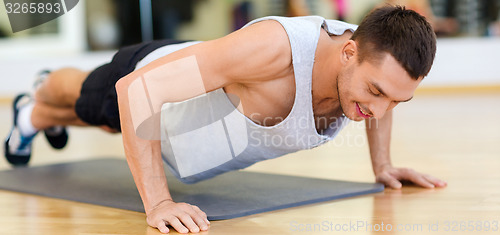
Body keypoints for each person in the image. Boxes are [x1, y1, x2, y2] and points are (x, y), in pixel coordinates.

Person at [4, 6, 448, 234]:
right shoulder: (275, 50)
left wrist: (383, 165)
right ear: (348, 52)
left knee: (107, 122)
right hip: (147, 77)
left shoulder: (367, 72)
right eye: (375, 92)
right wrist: (158, 203)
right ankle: (39, 100)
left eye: (397, 101)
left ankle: (38, 116)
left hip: (182, 133)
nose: (380, 109)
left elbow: (382, 98)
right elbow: (135, 91)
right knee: (89, 100)